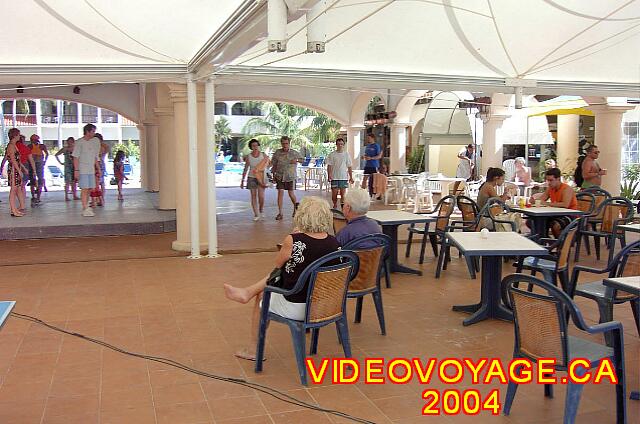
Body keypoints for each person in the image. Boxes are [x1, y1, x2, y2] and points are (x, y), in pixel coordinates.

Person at [223, 196, 340, 360]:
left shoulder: (294, 240)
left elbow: (278, 265)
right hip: (327, 305)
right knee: (276, 280)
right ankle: (247, 292)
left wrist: (293, 237)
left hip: (299, 307)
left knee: (263, 295)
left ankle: (253, 350)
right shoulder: (335, 243)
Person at [529, 168, 578, 237]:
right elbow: (542, 199)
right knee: (533, 222)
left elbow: (565, 205)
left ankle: (561, 244)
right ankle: (543, 241)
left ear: (558, 179)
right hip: (556, 214)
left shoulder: (566, 189)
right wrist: (534, 201)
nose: (549, 183)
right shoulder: (550, 188)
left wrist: (546, 203)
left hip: (570, 215)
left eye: (551, 180)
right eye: (547, 180)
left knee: (555, 224)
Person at [271, 136, 303, 220]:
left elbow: (303, 160)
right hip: (279, 176)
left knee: (291, 194)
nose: (285, 145)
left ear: (289, 144)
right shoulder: (277, 153)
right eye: (283, 143)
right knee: (280, 193)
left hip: (290, 176)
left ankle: (296, 208)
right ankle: (280, 213)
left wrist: (296, 160)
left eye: (286, 143)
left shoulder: (294, 153)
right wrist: (273, 176)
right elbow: (274, 164)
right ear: (281, 144)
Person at [73, 124, 101, 217]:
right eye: (92, 131)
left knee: (90, 188)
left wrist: (98, 168)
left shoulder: (94, 142)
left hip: (91, 170)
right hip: (82, 169)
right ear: (87, 132)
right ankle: (85, 207)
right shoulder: (79, 142)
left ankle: (87, 205)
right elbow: (75, 157)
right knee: (84, 188)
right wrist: (76, 170)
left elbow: (95, 157)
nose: (94, 133)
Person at [241, 139, 270, 221]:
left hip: (261, 177)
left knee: (261, 196)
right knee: (253, 196)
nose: (255, 147)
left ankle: (261, 209)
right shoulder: (248, 157)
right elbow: (246, 168)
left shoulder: (263, 155)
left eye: (256, 145)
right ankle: (256, 214)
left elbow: (268, 164)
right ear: (251, 147)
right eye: (253, 146)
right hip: (251, 177)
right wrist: (242, 180)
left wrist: (265, 171)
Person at [3, 128, 26, 217]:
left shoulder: (14, 145)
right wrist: (19, 171)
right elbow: (13, 160)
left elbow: (18, 159)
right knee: (13, 190)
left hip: (16, 168)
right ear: (15, 135)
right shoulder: (11, 146)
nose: (19, 136)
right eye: (18, 135)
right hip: (13, 169)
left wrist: (22, 168)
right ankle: (13, 210)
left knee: (17, 188)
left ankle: (15, 209)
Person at [326, 137, 353, 209]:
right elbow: (329, 166)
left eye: (341, 144)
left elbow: (349, 166)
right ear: (336, 145)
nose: (340, 145)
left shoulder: (346, 155)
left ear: (343, 145)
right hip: (334, 177)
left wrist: (351, 177)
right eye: (338, 144)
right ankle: (335, 205)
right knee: (334, 194)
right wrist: (329, 175)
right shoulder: (332, 154)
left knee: (343, 194)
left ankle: (342, 208)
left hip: (343, 177)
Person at [96, 133, 110, 202]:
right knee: (97, 182)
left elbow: (107, 149)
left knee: (101, 182)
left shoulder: (103, 147)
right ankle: (98, 198)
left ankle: (101, 198)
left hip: (100, 164)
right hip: (95, 165)